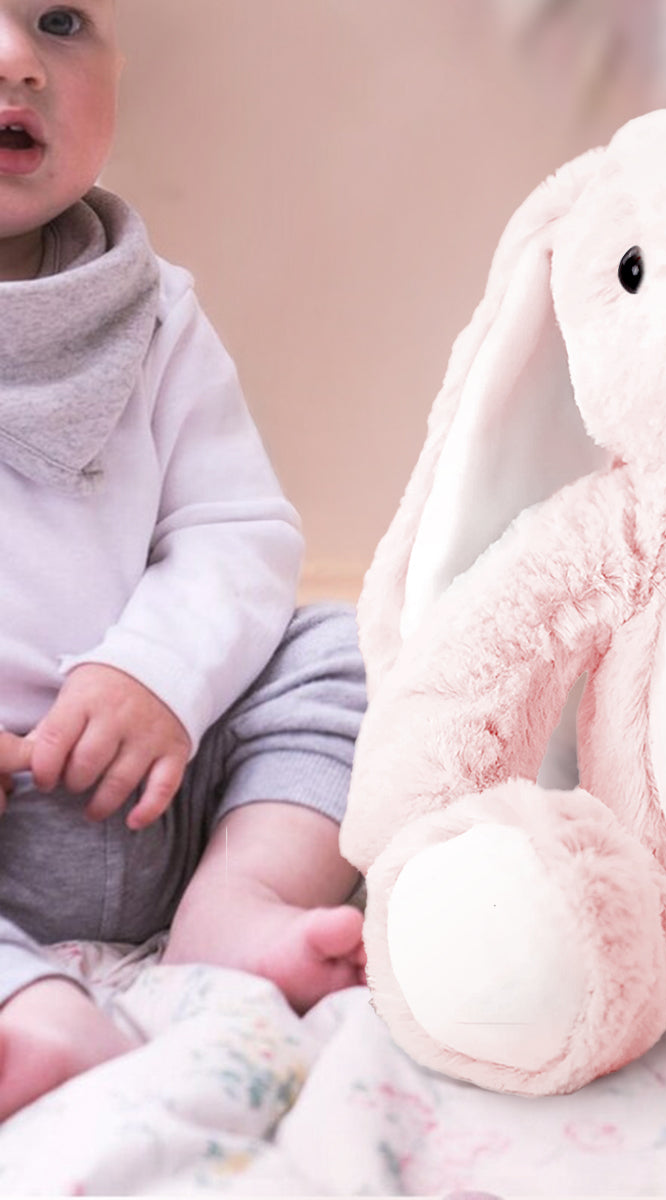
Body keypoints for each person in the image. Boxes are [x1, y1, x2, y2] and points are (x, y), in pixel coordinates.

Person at [0, 0, 367, 1118]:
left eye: (58, 19)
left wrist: (157, 670)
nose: (17, 60)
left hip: (171, 777)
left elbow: (236, 530)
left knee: (354, 640)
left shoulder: (154, 315)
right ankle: (32, 1012)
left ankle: (239, 902)